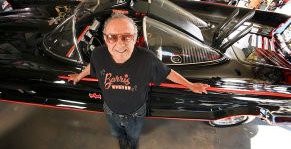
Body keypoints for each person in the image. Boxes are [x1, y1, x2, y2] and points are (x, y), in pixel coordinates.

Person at [68, 13, 210, 149]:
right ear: (105, 38)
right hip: (110, 111)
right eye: (112, 37)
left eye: (127, 37)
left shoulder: (147, 58)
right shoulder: (98, 54)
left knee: (134, 135)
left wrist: (190, 85)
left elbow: (167, 72)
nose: (120, 44)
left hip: (136, 113)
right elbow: (93, 65)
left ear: (135, 37)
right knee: (118, 134)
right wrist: (79, 76)